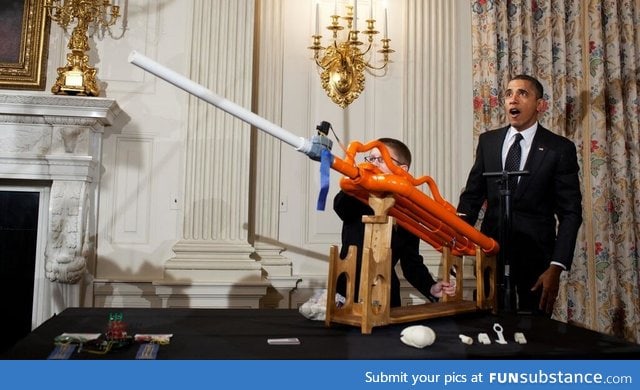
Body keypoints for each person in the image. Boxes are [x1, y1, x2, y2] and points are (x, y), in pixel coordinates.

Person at [457, 75, 582, 315]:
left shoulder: (559, 148)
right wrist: (457, 241)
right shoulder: (488, 142)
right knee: (488, 328)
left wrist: (556, 266)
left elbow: (570, 213)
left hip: (536, 261)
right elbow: (472, 197)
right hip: (490, 255)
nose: (513, 98)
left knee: (534, 335)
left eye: (522, 93)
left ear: (540, 105)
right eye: (508, 93)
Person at [334, 137, 456, 307]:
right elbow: (340, 207)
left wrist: (431, 287)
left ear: (402, 170)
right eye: (370, 158)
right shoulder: (357, 197)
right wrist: (356, 180)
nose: (372, 164)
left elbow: (411, 263)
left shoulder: (408, 211)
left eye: (380, 159)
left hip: (385, 298)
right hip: (346, 294)